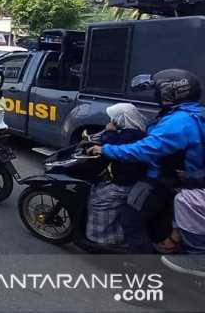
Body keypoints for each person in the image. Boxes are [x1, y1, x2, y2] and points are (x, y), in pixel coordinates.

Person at [87, 69, 205, 253]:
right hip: (187, 179)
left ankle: (145, 267)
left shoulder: (179, 121)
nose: (156, 95)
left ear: (171, 92)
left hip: (161, 180)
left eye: (158, 90)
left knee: (131, 219)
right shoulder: (194, 113)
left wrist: (106, 149)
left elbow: (145, 150)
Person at [85, 103, 147, 246]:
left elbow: (115, 149)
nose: (111, 121)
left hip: (123, 183)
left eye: (113, 118)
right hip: (129, 180)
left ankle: (100, 240)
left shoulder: (130, 136)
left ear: (120, 119)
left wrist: (109, 132)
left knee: (97, 202)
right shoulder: (137, 132)